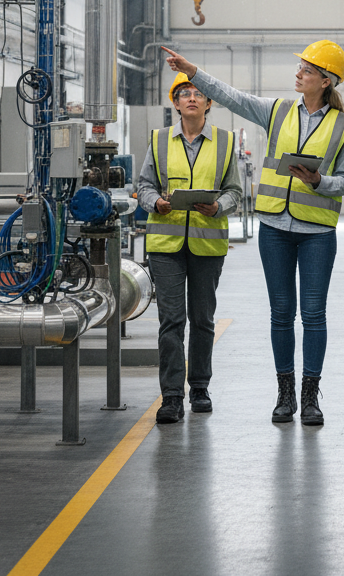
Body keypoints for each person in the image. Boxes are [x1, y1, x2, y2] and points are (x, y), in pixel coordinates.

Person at [161, 40, 344, 427]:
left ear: (325, 80)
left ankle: (310, 397)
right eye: (300, 67)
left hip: (317, 232)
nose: (298, 74)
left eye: (306, 70)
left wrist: (318, 181)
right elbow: (231, 97)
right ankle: (285, 394)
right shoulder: (278, 111)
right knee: (281, 314)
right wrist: (193, 71)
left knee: (313, 314)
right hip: (275, 229)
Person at [137, 72, 242, 424]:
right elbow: (144, 186)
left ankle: (199, 387)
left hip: (207, 243)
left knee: (202, 319)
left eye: (198, 93)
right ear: (176, 103)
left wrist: (219, 206)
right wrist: (156, 203)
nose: (192, 98)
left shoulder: (224, 142)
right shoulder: (159, 140)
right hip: (165, 244)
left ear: (209, 103)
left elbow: (235, 191)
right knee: (171, 320)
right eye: (184, 93)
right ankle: (171, 396)